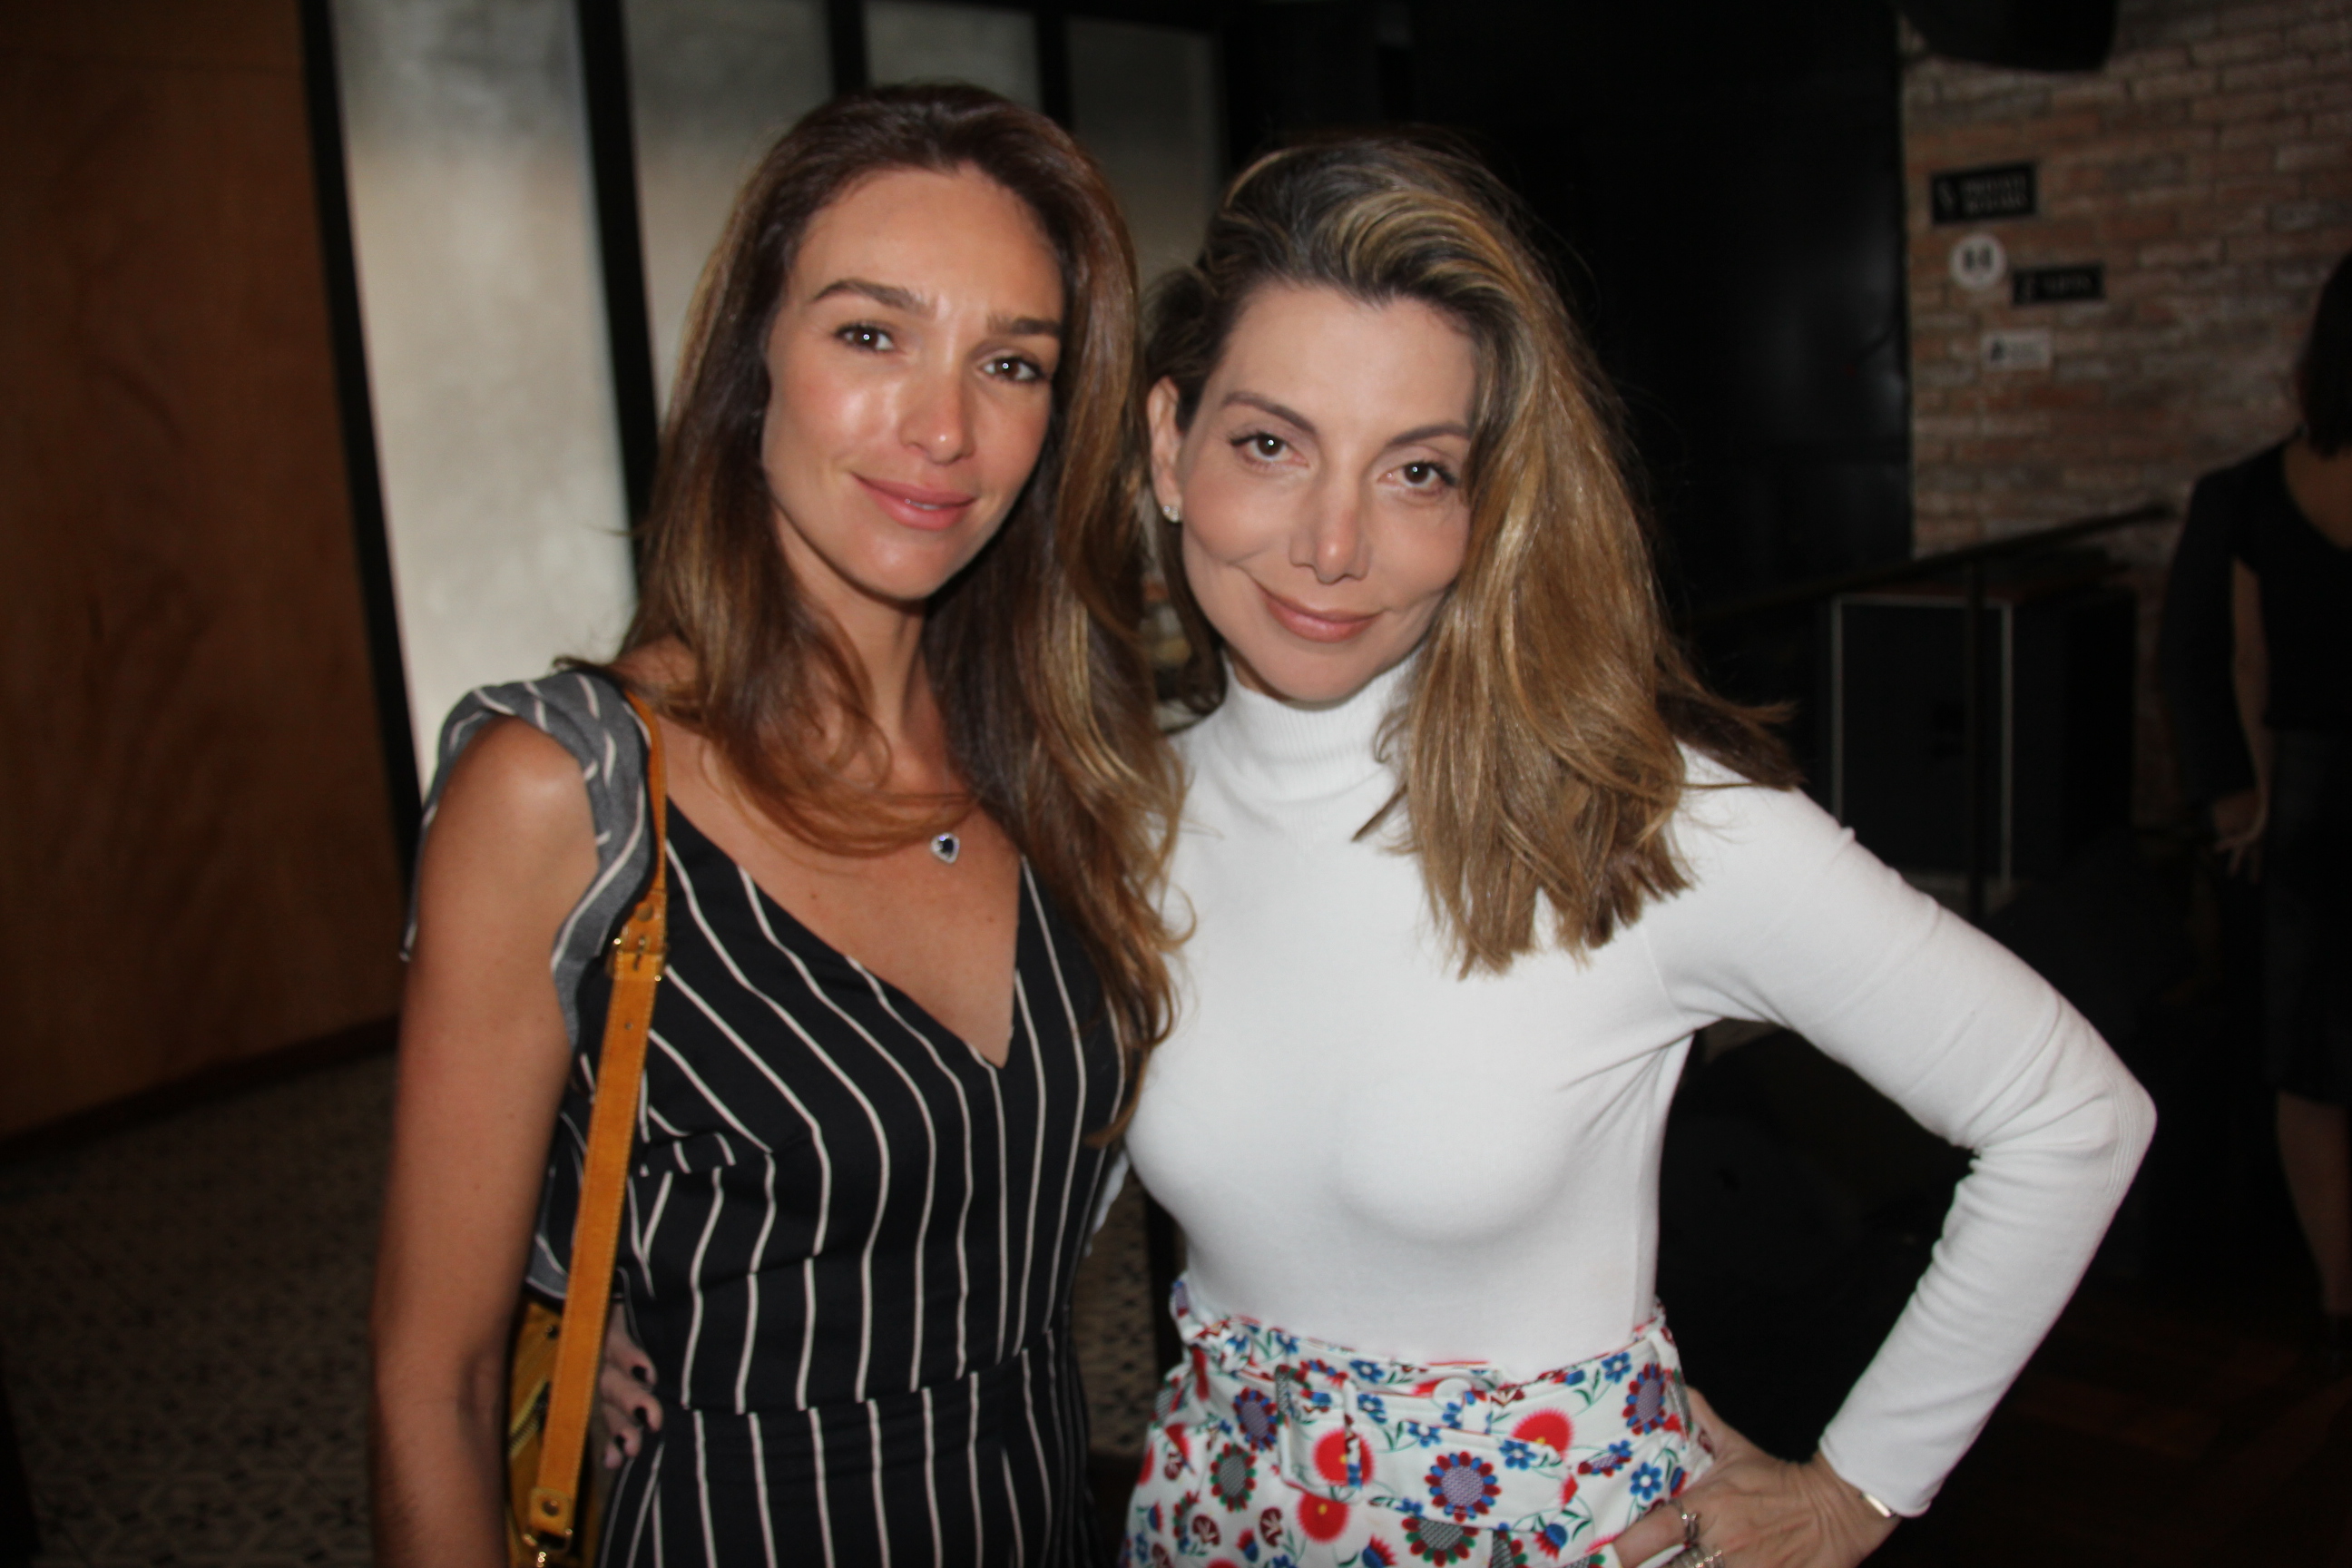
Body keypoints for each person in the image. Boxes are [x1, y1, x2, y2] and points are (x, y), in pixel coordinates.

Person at [1115, 138, 2156, 1568]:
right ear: (1168, 446)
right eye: (1270, 445)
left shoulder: (1639, 821)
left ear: (1486, 508)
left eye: (1417, 470)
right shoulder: (1125, 815)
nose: (1334, 542)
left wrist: (1859, 1488)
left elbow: (2073, 1118)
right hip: (1209, 1523)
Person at [368, 85, 1180, 1567]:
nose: (942, 427)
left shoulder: (1057, 768)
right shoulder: (567, 790)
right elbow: (438, 1381)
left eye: (1010, 363)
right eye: (870, 335)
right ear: (754, 363)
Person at [2217, 250, 2352, 1368]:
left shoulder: (2264, 490)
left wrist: (2258, 798)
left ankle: (2338, 1299)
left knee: (2310, 1063)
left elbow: (2249, 665)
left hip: (2311, 790)